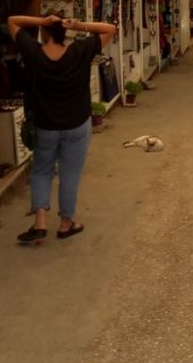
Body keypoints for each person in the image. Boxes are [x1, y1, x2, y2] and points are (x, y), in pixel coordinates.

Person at [8, 14, 116, 244]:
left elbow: (12, 21)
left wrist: (42, 21)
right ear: (65, 32)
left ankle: (40, 222)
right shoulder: (79, 51)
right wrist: (80, 25)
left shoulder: (34, 53)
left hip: (45, 125)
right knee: (70, 174)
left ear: (45, 33)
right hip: (76, 123)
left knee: (42, 171)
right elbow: (110, 29)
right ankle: (67, 223)